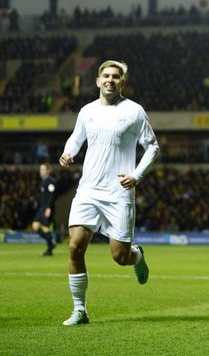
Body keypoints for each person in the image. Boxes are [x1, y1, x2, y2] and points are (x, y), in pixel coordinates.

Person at [59, 60, 160, 326]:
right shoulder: (87, 111)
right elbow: (76, 137)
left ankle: (136, 255)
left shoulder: (134, 111)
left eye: (116, 77)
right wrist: (69, 152)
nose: (110, 80)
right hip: (89, 190)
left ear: (122, 82)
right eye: (106, 76)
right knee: (74, 247)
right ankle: (80, 310)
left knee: (119, 257)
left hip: (118, 192)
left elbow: (153, 148)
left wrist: (136, 175)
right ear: (97, 80)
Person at [32, 163, 57, 256]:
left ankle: (49, 249)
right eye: (40, 169)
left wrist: (49, 208)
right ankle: (51, 242)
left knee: (45, 227)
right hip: (42, 208)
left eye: (43, 169)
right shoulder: (43, 182)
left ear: (48, 171)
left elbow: (52, 195)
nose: (41, 171)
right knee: (35, 226)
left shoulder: (50, 181)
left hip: (47, 208)